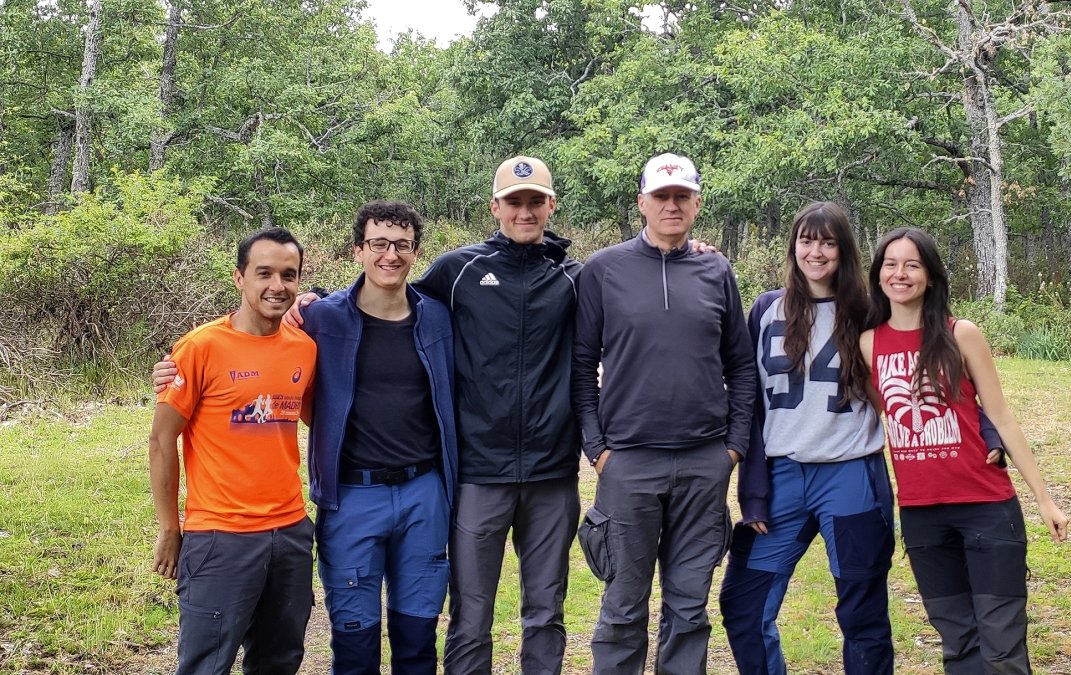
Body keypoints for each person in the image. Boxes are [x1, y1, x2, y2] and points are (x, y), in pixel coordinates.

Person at [155, 201, 459, 675]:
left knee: (411, 636)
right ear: (358, 250)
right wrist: (173, 373)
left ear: (416, 251)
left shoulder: (434, 318)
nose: (390, 254)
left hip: (407, 496)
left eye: (401, 245)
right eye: (378, 243)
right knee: (351, 639)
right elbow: (170, 428)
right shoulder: (320, 319)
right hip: (342, 497)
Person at [572, 152, 757, 674]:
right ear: (642, 203)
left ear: (697, 203)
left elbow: (740, 364)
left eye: (682, 196)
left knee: (689, 607)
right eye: (661, 197)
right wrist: (597, 448)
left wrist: (733, 446)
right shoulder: (604, 270)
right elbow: (582, 364)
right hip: (628, 462)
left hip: (704, 461)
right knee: (623, 607)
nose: (671, 206)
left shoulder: (716, 268)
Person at [859, 227, 1070, 674]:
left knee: (1002, 646)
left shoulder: (963, 334)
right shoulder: (868, 343)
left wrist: (1044, 498)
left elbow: (1001, 415)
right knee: (958, 642)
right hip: (921, 514)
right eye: (890, 264)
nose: (901, 273)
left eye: (912, 264)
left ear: (931, 276)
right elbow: (882, 419)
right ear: (878, 276)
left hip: (986, 509)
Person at [414, 156, 583, 675]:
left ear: (552, 206)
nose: (525, 212)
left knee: (546, 612)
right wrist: (313, 303)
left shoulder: (577, 277)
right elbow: (387, 304)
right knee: (470, 614)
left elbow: (642, 284)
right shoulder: (457, 269)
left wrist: (691, 250)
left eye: (536, 202)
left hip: (552, 473)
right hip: (479, 472)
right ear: (496, 207)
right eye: (515, 202)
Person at [718, 202, 896, 674]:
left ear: (844, 249)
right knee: (744, 604)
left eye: (827, 241)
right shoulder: (766, 308)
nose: (815, 251)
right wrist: (752, 491)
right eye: (806, 240)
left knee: (863, 615)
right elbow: (749, 399)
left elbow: (925, 367)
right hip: (782, 478)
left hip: (850, 472)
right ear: (793, 245)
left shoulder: (870, 310)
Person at [149, 227, 316, 674]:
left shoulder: (305, 347)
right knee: (207, 663)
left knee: (279, 659)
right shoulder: (200, 347)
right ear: (239, 278)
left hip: (290, 533)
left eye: (288, 274)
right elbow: (162, 440)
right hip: (220, 536)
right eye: (264, 273)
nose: (277, 286)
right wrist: (170, 528)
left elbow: (317, 417)